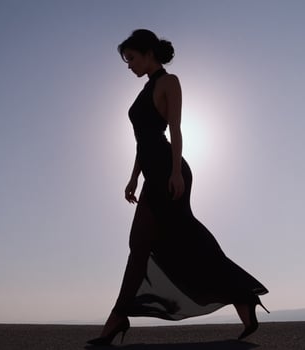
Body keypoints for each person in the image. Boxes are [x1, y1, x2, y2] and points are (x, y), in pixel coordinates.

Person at [87, 29, 269, 346]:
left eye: (131, 58)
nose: (129, 65)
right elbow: (142, 141)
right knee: (171, 241)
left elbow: (175, 129)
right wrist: (134, 177)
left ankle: (118, 318)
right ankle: (241, 296)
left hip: (169, 171)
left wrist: (175, 173)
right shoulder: (145, 90)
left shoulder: (169, 82)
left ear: (148, 52)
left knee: (162, 241)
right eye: (126, 60)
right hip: (152, 172)